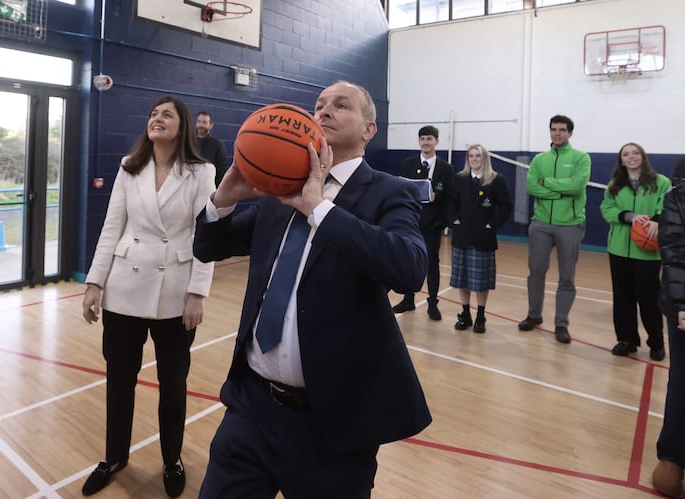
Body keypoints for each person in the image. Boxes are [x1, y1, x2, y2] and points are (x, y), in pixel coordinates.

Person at [193, 81, 432, 498]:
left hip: (334, 423)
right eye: (318, 105)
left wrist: (320, 208)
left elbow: (409, 269)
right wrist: (223, 199)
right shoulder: (280, 187)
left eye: (341, 106)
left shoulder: (390, 192)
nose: (323, 112)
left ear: (369, 129)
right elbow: (208, 247)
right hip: (251, 408)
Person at [80, 96, 216, 498]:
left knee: (173, 385)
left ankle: (171, 459)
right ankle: (114, 456)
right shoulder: (129, 167)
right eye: (154, 114)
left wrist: (197, 292)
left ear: (183, 126)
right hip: (124, 289)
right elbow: (111, 228)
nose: (157, 118)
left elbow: (203, 235)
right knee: (119, 381)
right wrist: (94, 283)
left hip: (175, 291)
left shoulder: (201, 172)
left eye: (167, 114)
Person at [517, 114, 591, 344]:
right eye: (553, 129)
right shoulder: (539, 160)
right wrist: (562, 190)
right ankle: (534, 315)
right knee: (536, 271)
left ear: (570, 133)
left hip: (570, 225)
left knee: (566, 276)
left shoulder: (581, 158)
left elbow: (577, 186)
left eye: (561, 129)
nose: (557, 133)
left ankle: (561, 323)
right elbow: (531, 187)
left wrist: (547, 183)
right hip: (540, 224)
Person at [651, 167, 685, 498]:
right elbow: (676, 253)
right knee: (682, 382)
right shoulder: (679, 196)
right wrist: (684, 306)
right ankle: (673, 457)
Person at [599, 143, 669, 360]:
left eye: (635, 153)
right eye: (626, 154)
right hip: (619, 249)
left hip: (648, 250)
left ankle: (656, 343)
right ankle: (626, 340)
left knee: (649, 298)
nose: (631, 157)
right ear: (621, 160)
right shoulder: (614, 185)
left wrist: (657, 220)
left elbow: (667, 206)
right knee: (622, 297)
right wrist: (629, 216)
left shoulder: (661, 182)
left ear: (643, 156)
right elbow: (606, 209)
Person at [391, 125, 453, 320]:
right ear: (419, 141)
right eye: (423, 139)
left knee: (432, 264)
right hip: (410, 223)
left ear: (437, 141)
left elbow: (449, 198)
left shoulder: (446, 168)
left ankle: (433, 303)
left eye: (429, 139)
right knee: (408, 261)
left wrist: (442, 222)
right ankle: (408, 299)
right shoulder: (408, 164)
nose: (426, 142)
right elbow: (400, 191)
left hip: (433, 225)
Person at [448, 144, 511, 333]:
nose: (474, 159)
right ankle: (465, 314)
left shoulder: (495, 180)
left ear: (484, 159)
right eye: (471, 156)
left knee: (481, 282)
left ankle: (480, 316)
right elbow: (451, 203)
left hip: (483, 238)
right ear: (468, 159)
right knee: (462, 280)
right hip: (462, 237)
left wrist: (492, 224)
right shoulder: (459, 179)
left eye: (478, 156)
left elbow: (506, 206)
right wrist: (454, 220)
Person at [196, 111, 230, 187]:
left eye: (204, 122)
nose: (201, 125)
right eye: (199, 122)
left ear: (211, 125)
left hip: (207, 191)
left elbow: (222, 172)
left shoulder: (218, 145)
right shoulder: (188, 143)